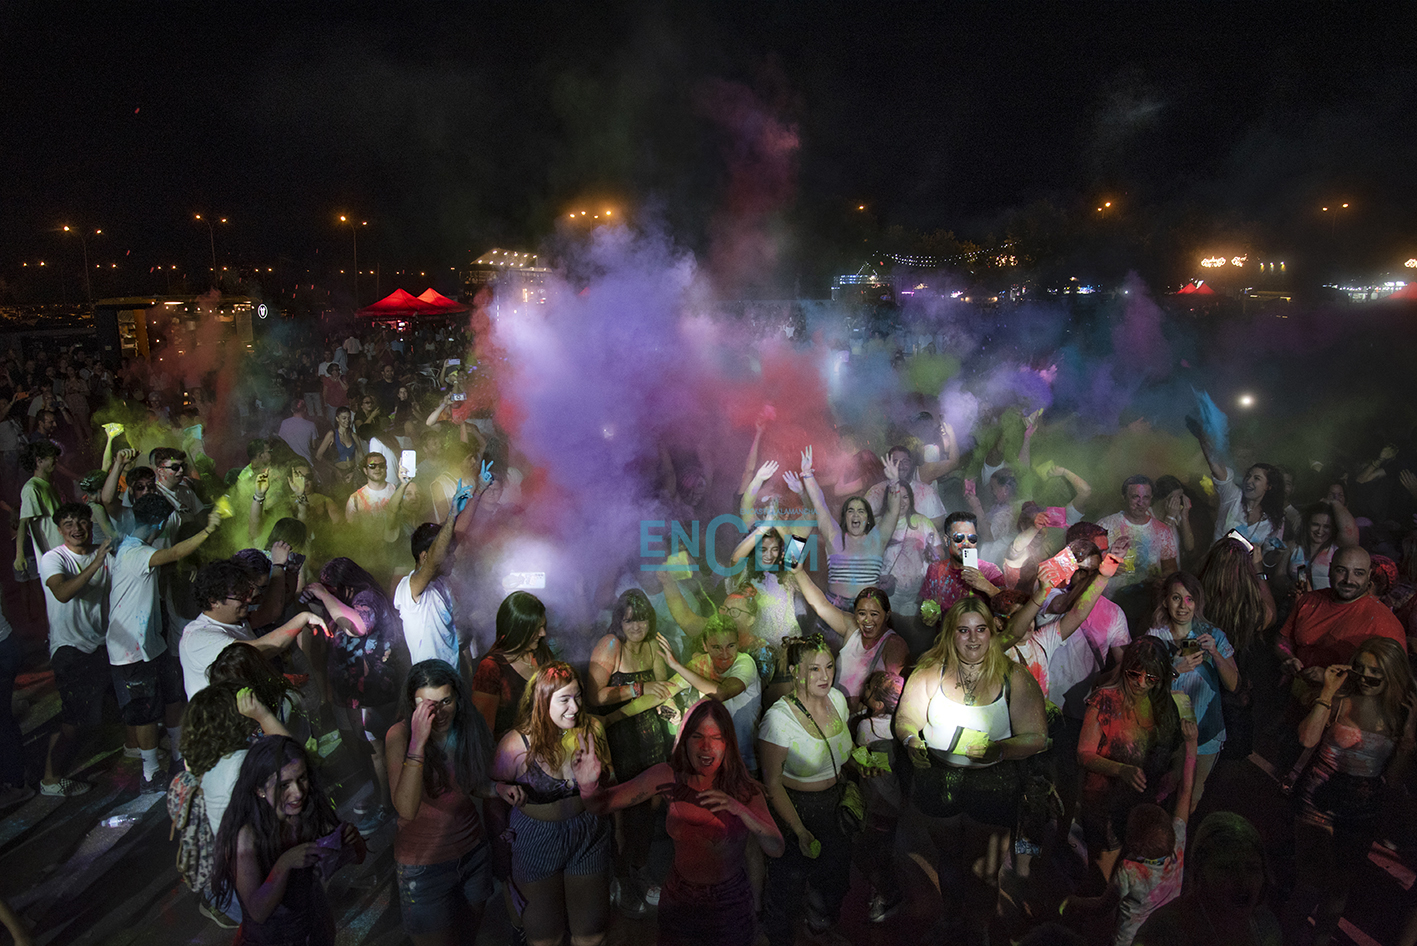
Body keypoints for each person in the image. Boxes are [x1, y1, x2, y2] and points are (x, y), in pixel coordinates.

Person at [895, 598, 1048, 945]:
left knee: (984, 869)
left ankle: (979, 928)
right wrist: (910, 739)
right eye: (964, 630)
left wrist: (1001, 749)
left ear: (992, 631)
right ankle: (951, 918)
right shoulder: (930, 670)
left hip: (994, 783)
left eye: (980, 629)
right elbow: (906, 717)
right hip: (940, 778)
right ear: (950, 633)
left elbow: (1037, 736)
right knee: (948, 857)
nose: (973, 638)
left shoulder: (1013, 675)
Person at [579, 698, 786, 946]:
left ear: (728, 742)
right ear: (684, 739)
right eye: (697, 736)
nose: (706, 747)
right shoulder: (668, 777)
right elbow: (600, 805)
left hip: (728, 902)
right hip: (679, 897)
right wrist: (587, 784)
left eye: (716, 737)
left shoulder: (744, 790)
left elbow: (776, 848)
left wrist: (739, 810)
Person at [1281, 636, 1415, 945]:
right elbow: (1307, 739)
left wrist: (1408, 738)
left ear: (1392, 674)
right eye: (1361, 668)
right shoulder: (1341, 699)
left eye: (1375, 672)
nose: (1365, 677)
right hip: (1317, 797)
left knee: (1339, 888)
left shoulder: (1398, 714)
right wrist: (1327, 692)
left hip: (1362, 806)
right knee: (1309, 883)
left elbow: (1393, 780)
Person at [386, 660, 510, 946]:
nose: (439, 713)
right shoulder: (400, 735)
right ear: (413, 704)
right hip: (424, 867)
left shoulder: (467, 726)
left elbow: (469, 783)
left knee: (467, 939)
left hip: (473, 853)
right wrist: (418, 742)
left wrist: (498, 788)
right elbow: (406, 808)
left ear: (457, 698)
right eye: (428, 705)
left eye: (446, 701)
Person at [490, 662, 613, 946]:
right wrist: (499, 845)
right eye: (564, 699)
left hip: (588, 833)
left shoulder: (591, 728)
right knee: (546, 938)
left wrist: (617, 831)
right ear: (542, 700)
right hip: (536, 839)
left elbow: (611, 781)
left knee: (592, 935)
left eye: (578, 696)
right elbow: (491, 794)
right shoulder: (516, 744)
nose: (575, 707)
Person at [108, 496, 222, 788]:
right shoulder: (135, 552)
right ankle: (151, 774)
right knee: (146, 710)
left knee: (172, 698)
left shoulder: (133, 548)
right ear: (159, 524)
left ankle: (177, 756)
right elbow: (172, 554)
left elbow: (166, 563)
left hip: (152, 644)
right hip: (131, 650)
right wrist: (208, 530)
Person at [210, 735, 367, 945]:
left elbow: (357, 858)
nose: (298, 792)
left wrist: (352, 841)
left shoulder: (306, 813)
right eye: (284, 785)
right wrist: (284, 864)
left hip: (313, 932)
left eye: (302, 778)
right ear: (259, 789)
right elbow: (257, 912)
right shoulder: (246, 836)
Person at [757, 634, 859, 946]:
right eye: (814, 669)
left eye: (829, 667)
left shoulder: (838, 701)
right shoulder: (779, 719)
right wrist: (799, 829)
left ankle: (819, 930)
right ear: (795, 671)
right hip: (795, 806)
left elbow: (840, 752)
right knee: (788, 883)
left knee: (833, 877)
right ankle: (780, 938)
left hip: (834, 803)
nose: (825, 676)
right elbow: (772, 783)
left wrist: (862, 763)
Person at [1062, 719, 1199, 946]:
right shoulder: (1178, 842)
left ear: (1132, 844)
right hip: (1160, 935)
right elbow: (1186, 791)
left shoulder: (1130, 871)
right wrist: (1192, 743)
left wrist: (1072, 901)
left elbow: (1103, 906)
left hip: (1130, 940)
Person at [587, 588, 680, 917]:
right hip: (619, 738)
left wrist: (672, 709)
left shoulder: (654, 645)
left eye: (641, 619)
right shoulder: (611, 644)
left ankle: (638, 870)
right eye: (629, 620)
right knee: (622, 816)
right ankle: (620, 878)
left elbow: (663, 691)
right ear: (619, 622)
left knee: (648, 812)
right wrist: (637, 688)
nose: (636, 626)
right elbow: (595, 696)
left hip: (651, 738)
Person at [305, 558, 407, 827]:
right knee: (361, 746)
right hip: (348, 689)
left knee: (375, 748)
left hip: (372, 689)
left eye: (332, 588)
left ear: (346, 584)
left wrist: (324, 595)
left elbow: (358, 626)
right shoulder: (339, 599)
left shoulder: (367, 597)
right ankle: (379, 795)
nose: (330, 593)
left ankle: (387, 804)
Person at [181, 683, 292, 929]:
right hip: (256, 879)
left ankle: (217, 903)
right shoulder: (242, 763)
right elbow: (293, 758)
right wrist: (263, 716)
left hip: (227, 872)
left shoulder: (200, 758)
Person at [1077, 636, 1184, 882]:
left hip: (1146, 807)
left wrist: (1176, 772)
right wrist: (1121, 770)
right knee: (1106, 881)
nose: (1141, 683)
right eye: (1135, 674)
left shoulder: (1164, 704)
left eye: (1151, 678)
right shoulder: (1104, 700)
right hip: (1106, 806)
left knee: (1137, 878)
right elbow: (1083, 754)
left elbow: (1177, 748)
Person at [37, 502, 111, 796]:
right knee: (72, 720)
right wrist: (96, 563)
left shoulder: (103, 553)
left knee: (97, 712)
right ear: (59, 530)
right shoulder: (53, 559)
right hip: (69, 648)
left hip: (102, 643)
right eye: (68, 524)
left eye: (81, 522)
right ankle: (50, 780)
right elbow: (62, 592)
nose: (76, 529)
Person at [1146, 573, 1238, 807]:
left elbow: (1233, 684)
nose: (1183, 606)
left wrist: (1215, 654)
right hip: (1166, 733)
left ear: (1197, 603)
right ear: (1165, 600)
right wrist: (1174, 670)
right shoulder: (1155, 637)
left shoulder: (1213, 635)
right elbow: (1142, 686)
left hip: (1205, 731)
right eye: (1176, 598)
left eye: (1189, 599)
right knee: (1160, 791)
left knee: (1191, 796)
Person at [179, 560, 326, 699]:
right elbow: (255, 652)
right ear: (214, 601)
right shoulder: (198, 636)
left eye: (247, 593)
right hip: (219, 716)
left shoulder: (237, 621)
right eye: (240, 597)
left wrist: (276, 680)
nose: (248, 600)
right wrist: (302, 618)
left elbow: (270, 612)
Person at [1133, 811, 1281, 946]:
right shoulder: (1164, 932)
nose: (1243, 881)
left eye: (1253, 868)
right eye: (1227, 868)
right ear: (1200, 870)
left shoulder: (1264, 926)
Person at [1276, 545, 1405, 687]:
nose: (1348, 580)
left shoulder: (1384, 622)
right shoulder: (1309, 600)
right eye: (1341, 570)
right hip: (1296, 694)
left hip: (1343, 700)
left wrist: (1332, 680)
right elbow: (1284, 640)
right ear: (1330, 569)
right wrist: (1288, 658)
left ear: (1369, 575)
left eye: (1358, 573)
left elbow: (1393, 683)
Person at [792, 445, 903, 605]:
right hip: (836, 608)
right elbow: (819, 503)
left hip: (869, 609)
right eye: (851, 511)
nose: (856, 514)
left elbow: (893, 512)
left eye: (861, 511)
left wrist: (894, 481)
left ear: (868, 519)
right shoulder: (834, 536)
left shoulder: (877, 539)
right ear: (845, 517)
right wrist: (808, 475)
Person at [394, 481, 484, 670]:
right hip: (430, 681)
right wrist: (451, 514)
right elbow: (435, 559)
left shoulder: (441, 581)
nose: (453, 558)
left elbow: (460, 531)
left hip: (451, 678)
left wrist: (479, 491)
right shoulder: (409, 588)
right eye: (447, 554)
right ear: (424, 556)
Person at [661, 615, 763, 773]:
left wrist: (676, 666)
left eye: (730, 646)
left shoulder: (745, 663)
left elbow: (721, 693)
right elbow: (664, 692)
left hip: (743, 764)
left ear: (738, 643)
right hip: (712, 763)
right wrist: (668, 703)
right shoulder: (701, 663)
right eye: (716, 647)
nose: (725, 653)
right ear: (705, 645)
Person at [794, 575, 907, 711]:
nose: (867, 620)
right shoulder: (852, 628)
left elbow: (890, 696)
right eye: (862, 613)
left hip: (863, 719)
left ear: (887, 614)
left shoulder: (894, 645)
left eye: (874, 614)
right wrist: (798, 572)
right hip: (835, 711)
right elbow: (821, 605)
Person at [854, 670, 905, 923]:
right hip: (895, 802)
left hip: (874, 801)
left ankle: (887, 894)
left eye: (868, 687)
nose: (863, 688)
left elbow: (861, 760)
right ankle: (884, 890)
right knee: (885, 850)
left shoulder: (867, 726)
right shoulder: (901, 728)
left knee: (866, 853)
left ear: (877, 704)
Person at [1098, 475, 1180, 634]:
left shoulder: (1162, 530)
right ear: (1124, 497)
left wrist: (1160, 578)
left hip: (1147, 608)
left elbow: (1171, 570)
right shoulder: (1105, 525)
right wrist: (1108, 566)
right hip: (1111, 606)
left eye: (1146, 498)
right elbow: (1088, 565)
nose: (1140, 502)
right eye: (1135, 497)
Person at [1192, 429, 1287, 547]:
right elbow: (1216, 466)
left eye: (1256, 478)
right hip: (1217, 558)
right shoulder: (1233, 496)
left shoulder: (1271, 520)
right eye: (1248, 476)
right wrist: (1202, 436)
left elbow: (1270, 553)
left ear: (1268, 486)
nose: (1249, 481)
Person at [918, 511, 1006, 614]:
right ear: (946, 540)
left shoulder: (990, 571)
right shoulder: (935, 569)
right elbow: (927, 607)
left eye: (972, 538)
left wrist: (987, 586)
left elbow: (1007, 610)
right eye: (959, 538)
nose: (966, 544)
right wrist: (929, 615)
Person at [1279, 499, 1360, 594]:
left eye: (1326, 526)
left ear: (1333, 528)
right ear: (1307, 524)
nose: (1320, 531)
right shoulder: (1292, 546)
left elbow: (1349, 531)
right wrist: (1289, 585)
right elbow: (1279, 576)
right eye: (1315, 524)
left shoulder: (1337, 548)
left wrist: (1334, 502)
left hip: (1328, 601)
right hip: (1299, 600)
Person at [15, 440, 63, 578]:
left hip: (62, 554)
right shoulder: (31, 488)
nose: (56, 460)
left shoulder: (48, 485)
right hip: (52, 560)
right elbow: (24, 522)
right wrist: (20, 555)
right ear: (39, 461)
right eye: (51, 457)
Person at [315, 406, 364, 490]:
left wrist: (356, 470)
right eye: (344, 418)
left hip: (352, 472)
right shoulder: (332, 434)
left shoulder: (353, 435)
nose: (347, 420)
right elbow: (318, 456)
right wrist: (334, 470)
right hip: (338, 473)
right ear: (337, 419)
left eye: (349, 418)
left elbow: (361, 455)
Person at [278, 400, 320, 464]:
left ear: (292, 410)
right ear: (305, 409)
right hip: (306, 462)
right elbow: (314, 445)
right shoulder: (311, 425)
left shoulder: (284, 423)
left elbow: (281, 441)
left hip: (289, 462)